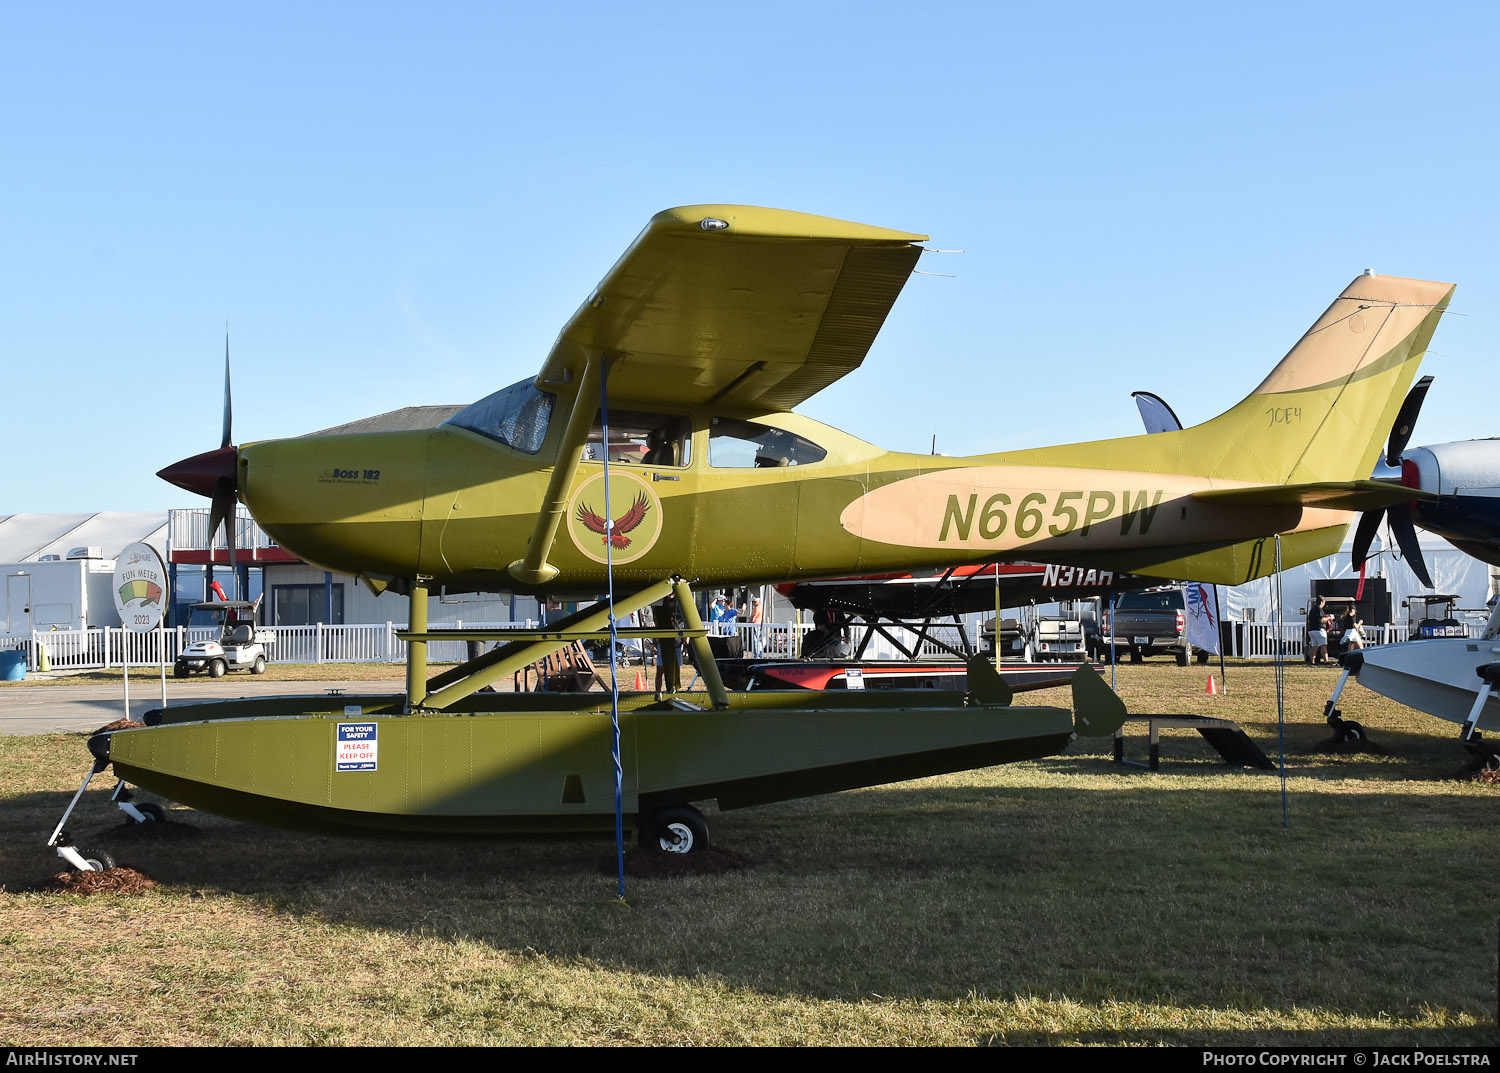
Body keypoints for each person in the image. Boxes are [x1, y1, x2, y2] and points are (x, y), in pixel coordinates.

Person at [1305, 596, 1328, 665]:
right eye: (1324, 602)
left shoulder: (1312, 609)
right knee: (1323, 646)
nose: (1324, 604)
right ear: (1321, 602)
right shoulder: (1319, 609)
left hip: (1311, 630)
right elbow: (1321, 619)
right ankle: (1326, 662)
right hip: (1319, 629)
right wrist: (1329, 618)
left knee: (1314, 646)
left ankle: (1312, 661)